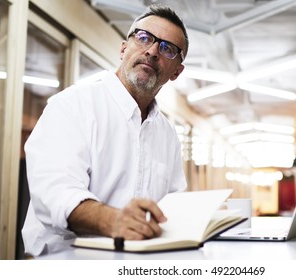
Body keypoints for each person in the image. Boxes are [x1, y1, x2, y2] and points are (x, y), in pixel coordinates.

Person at [22, 4, 189, 256]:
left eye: (167, 48)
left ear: (177, 71)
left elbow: (174, 203)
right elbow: (55, 192)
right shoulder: (71, 106)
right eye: (144, 38)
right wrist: (113, 221)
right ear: (124, 48)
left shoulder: (167, 134)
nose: (153, 51)